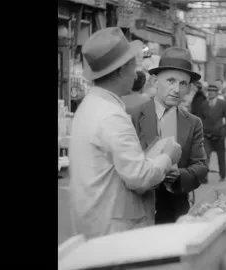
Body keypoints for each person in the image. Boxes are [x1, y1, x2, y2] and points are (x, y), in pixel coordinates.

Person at [68, 27, 182, 239]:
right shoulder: (111, 116)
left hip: (95, 223)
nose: (136, 73)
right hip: (114, 232)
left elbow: (116, 166)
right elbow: (139, 177)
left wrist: (151, 156)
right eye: (133, 66)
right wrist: (168, 157)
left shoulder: (90, 106)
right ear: (120, 70)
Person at [128, 47, 208, 224]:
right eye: (170, 80)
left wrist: (179, 175)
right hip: (138, 210)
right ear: (156, 81)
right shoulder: (132, 115)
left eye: (183, 83)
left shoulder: (193, 123)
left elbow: (201, 166)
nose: (177, 89)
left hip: (176, 210)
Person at [199, 84, 226, 183]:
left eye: (213, 91)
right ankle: (204, 178)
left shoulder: (223, 104)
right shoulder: (204, 104)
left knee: (221, 156)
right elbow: (201, 118)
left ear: (217, 93)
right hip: (207, 134)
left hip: (219, 134)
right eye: (209, 91)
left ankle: (223, 175)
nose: (210, 93)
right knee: (205, 157)